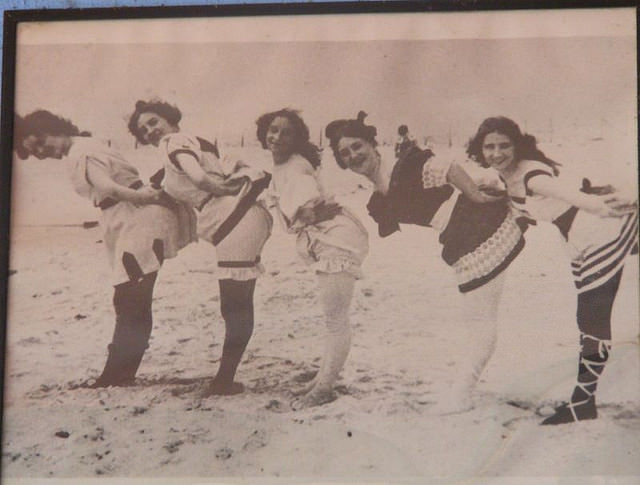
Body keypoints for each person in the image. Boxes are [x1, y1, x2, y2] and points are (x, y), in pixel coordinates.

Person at [325, 111, 526, 413]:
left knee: (480, 320)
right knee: (477, 319)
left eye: (357, 146)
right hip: (460, 234)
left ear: (371, 143)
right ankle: (461, 392)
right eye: (345, 153)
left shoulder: (402, 166)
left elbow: (447, 167)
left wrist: (476, 195)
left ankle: (461, 395)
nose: (353, 155)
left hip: (479, 226)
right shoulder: (380, 183)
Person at [467, 116, 638, 425]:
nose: (496, 153)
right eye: (489, 147)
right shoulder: (506, 175)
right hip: (577, 237)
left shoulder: (532, 176)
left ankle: (583, 403)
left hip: (599, 229)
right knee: (589, 319)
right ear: (480, 150)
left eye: (504, 145)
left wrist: (614, 204)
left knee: (591, 318)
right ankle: (583, 401)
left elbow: (581, 200)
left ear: (516, 146)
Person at [14, 110, 197, 387]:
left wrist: (144, 197)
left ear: (53, 126)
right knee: (132, 296)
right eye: (37, 150)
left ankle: (117, 375)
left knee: (130, 296)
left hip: (140, 216)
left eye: (40, 140)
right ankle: (120, 372)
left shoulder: (81, 150)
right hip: (128, 217)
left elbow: (108, 188)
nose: (43, 150)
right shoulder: (86, 146)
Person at [128, 99, 273, 396]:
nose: (150, 131)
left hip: (233, 217)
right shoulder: (180, 153)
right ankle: (225, 379)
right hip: (236, 218)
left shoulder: (175, 141)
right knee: (235, 304)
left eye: (153, 122)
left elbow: (199, 178)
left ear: (170, 121)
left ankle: (224, 382)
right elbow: (178, 182)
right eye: (143, 130)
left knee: (235, 305)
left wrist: (224, 190)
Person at [256, 108, 369, 408]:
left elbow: (306, 213)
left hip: (336, 239)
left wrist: (306, 214)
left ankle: (325, 387)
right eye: (272, 129)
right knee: (333, 318)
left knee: (335, 319)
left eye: (286, 133)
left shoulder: (294, 168)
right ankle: (322, 378)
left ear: (297, 140)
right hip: (327, 237)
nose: (277, 137)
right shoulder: (284, 165)